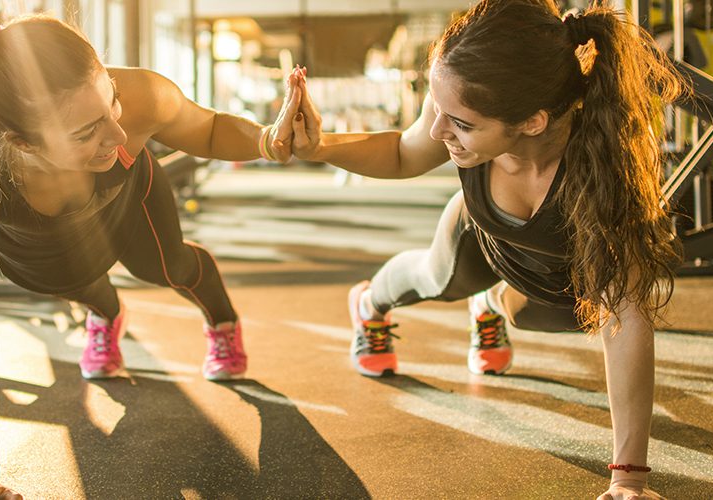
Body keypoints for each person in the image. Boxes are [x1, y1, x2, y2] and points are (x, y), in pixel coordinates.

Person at [284, 0, 682, 497]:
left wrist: (629, 480)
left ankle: (491, 304)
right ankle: (370, 302)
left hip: (560, 272)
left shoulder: (606, 168)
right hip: (481, 234)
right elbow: (403, 152)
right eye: (438, 111)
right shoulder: (460, 100)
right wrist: (319, 147)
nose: (437, 131)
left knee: (553, 317)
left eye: (461, 124)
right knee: (435, 278)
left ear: (533, 122)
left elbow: (626, 315)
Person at [0, 14, 301, 499]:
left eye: (111, 99)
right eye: (86, 132)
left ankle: (221, 322)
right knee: (72, 280)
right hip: (39, 247)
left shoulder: (139, 100)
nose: (118, 135)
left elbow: (211, 128)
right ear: (22, 142)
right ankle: (107, 315)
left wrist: (270, 139)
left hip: (127, 200)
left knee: (165, 266)